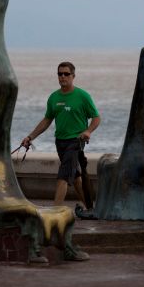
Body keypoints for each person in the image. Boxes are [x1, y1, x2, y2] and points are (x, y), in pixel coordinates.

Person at [20, 62, 101, 208]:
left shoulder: (82, 96)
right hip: (60, 142)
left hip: (76, 141)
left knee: (63, 176)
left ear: (73, 76)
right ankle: (91, 210)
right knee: (75, 177)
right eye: (60, 74)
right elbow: (47, 120)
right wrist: (30, 137)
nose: (63, 76)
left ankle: (55, 211)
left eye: (66, 74)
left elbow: (96, 118)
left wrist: (88, 131)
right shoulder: (53, 97)